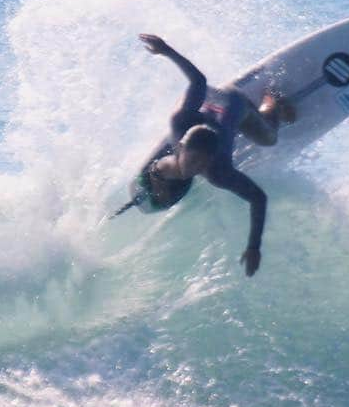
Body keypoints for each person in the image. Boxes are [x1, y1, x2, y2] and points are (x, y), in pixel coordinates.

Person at [120, 34, 295, 277]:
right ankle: (207, 112)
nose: (195, 168)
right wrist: (166, 49)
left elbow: (258, 198)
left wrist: (254, 246)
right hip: (206, 102)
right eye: (193, 160)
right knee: (187, 106)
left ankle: (272, 99)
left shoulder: (218, 172)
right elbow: (198, 80)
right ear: (180, 148)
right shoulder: (178, 123)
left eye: (202, 163)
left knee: (269, 138)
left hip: (236, 105)